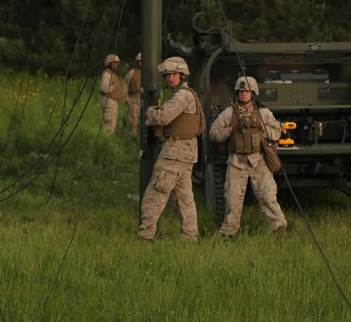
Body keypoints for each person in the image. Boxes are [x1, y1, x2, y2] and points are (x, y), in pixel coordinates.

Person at [209, 75, 287, 238]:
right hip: (236, 162)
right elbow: (214, 134)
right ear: (237, 93)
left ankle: (279, 229)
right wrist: (230, 130)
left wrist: (262, 129)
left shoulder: (263, 113)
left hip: (259, 161)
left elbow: (277, 132)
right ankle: (228, 233)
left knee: (267, 196)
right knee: (232, 200)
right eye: (241, 91)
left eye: (247, 91)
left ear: (253, 93)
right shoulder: (229, 113)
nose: (244, 94)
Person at [137, 56, 204, 243]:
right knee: (182, 197)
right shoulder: (187, 94)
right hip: (185, 152)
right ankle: (190, 237)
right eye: (167, 75)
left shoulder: (182, 95)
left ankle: (145, 235)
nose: (169, 78)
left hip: (175, 151)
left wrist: (149, 112)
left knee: (156, 191)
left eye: (173, 74)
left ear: (182, 75)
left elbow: (163, 117)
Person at [100, 54, 124, 134]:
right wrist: (113, 85)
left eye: (117, 63)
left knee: (112, 123)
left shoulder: (112, 74)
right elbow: (104, 88)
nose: (116, 65)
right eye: (114, 63)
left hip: (112, 101)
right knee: (109, 123)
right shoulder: (106, 74)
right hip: (108, 101)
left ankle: (106, 140)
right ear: (109, 63)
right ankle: (105, 141)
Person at [123, 52, 142, 139]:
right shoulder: (131, 73)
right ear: (137, 62)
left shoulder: (149, 73)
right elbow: (125, 85)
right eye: (140, 61)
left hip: (145, 99)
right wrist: (125, 99)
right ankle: (132, 138)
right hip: (133, 100)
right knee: (133, 121)